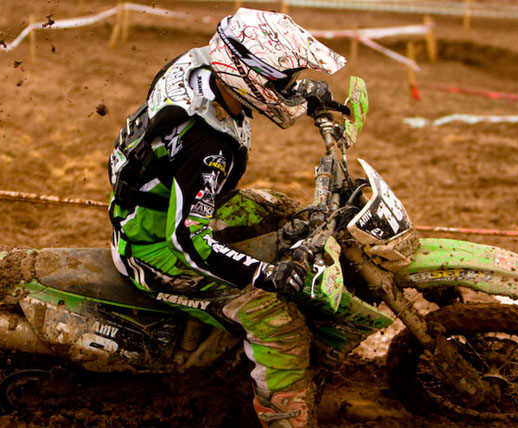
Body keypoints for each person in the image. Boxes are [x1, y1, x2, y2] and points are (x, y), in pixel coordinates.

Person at [107, 8, 345, 427]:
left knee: (281, 210)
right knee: (278, 321)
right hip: (153, 246)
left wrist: (302, 93)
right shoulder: (207, 145)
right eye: (282, 81)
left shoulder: (203, 66)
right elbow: (189, 242)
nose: (287, 88)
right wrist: (265, 275)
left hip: (162, 197)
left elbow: (249, 79)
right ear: (248, 77)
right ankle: (284, 418)